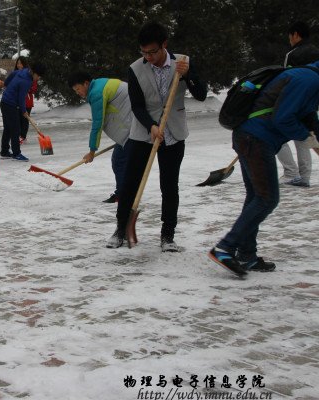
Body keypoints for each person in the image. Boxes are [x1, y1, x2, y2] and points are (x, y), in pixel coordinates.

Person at [209, 61, 319, 276]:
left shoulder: (308, 78)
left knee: (256, 197)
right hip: (256, 139)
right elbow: (283, 118)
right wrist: (307, 138)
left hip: (250, 137)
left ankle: (246, 255)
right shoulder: (308, 80)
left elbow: (309, 115)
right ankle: (225, 248)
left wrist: (315, 136)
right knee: (267, 198)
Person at [107, 21, 207, 252]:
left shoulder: (183, 62)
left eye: (152, 52)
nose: (148, 57)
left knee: (169, 185)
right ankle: (121, 229)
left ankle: (167, 235)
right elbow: (137, 105)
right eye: (144, 52)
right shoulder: (135, 69)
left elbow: (201, 94)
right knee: (130, 182)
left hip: (174, 132)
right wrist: (151, 125)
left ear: (164, 45)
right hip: (143, 132)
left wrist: (188, 75)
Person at [67, 71, 133, 203]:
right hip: (131, 126)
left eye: (78, 89)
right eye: (75, 91)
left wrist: (92, 151)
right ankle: (123, 194)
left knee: (120, 162)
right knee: (119, 161)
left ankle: (125, 196)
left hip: (133, 128)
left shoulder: (97, 93)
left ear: (86, 84)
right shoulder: (98, 85)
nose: (78, 93)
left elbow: (98, 123)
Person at [276, 21, 319, 188]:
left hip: (294, 101)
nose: (290, 40)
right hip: (312, 102)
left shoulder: (292, 54)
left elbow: (286, 79)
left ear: (295, 34)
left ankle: (291, 173)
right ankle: (304, 176)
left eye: (290, 36)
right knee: (305, 136)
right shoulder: (316, 51)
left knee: (280, 134)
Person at [0, 61, 46, 162]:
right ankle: (16, 153)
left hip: (4, 102)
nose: (38, 78)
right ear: (34, 72)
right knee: (15, 129)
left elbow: (13, 74)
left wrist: (6, 83)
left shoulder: (24, 71)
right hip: (10, 105)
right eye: (38, 76)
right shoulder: (27, 81)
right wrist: (24, 111)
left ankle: (4, 151)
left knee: (8, 128)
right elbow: (21, 98)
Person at [14, 56, 37, 144]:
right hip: (17, 101)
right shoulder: (15, 74)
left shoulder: (29, 74)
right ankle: (18, 136)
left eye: (21, 63)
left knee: (24, 119)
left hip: (27, 101)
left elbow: (34, 88)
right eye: (18, 63)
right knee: (17, 119)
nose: (19, 65)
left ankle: (23, 136)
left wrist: (25, 88)